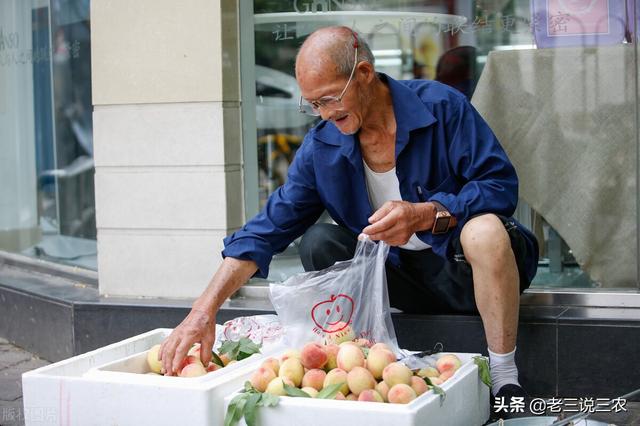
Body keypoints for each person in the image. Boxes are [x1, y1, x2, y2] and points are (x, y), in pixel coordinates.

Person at [159, 26, 538, 403]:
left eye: (329, 99)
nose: (324, 114)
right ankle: (366, 364)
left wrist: (427, 214)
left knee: (484, 229)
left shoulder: (441, 107)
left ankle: (505, 378)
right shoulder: (322, 147)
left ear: (364, 75)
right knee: (320, 241)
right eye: (313, 105)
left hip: (463, 275)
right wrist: (203, 310)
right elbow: (266, 229)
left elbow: (499, 184)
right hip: (398, 281)